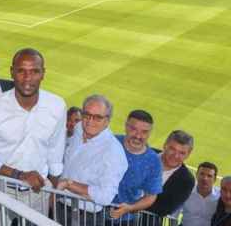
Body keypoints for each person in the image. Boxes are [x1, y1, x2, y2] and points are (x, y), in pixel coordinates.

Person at [0, 48, 66, 192]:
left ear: (43, 74)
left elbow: (55, 152)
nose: (27, 77)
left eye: (34, 71)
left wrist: (53, 190)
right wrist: (18, 175)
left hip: (39, 191)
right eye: (21, 71)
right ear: (12, 72)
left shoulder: (57, 106)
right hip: (1, 190)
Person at [56, 94, 128, 225]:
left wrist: (69, 184)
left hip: (87, 218)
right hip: (60, 206)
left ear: (107, 120)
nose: (90, 121)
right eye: (86, 115)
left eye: (97, 117)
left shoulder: (113, 152)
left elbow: (105, 196)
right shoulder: (79, 128)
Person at [109, 110, 162, 223]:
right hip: (91, 212)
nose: (138, 136)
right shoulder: (111, 142)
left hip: (125, 220)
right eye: (133, 129)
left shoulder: (153, 161)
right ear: (126, 126)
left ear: (150, 133)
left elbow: (151, 196)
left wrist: (130, 208)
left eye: (144, 132)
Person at [145, 130, 196, 221]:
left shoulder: (187, 180)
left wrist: (131, 204)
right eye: (172, 149)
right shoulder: (145, 153)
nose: (175, 156)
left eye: (182, 153)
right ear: (165, 145)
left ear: (188, 154)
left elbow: (164, 209)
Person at [180, 162, 220, 226]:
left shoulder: (221, 196)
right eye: (202, 174)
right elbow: (173, 215)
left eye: (209, 176)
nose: (205, 178)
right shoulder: (186, 191)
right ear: (196, 175)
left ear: (214, 179)